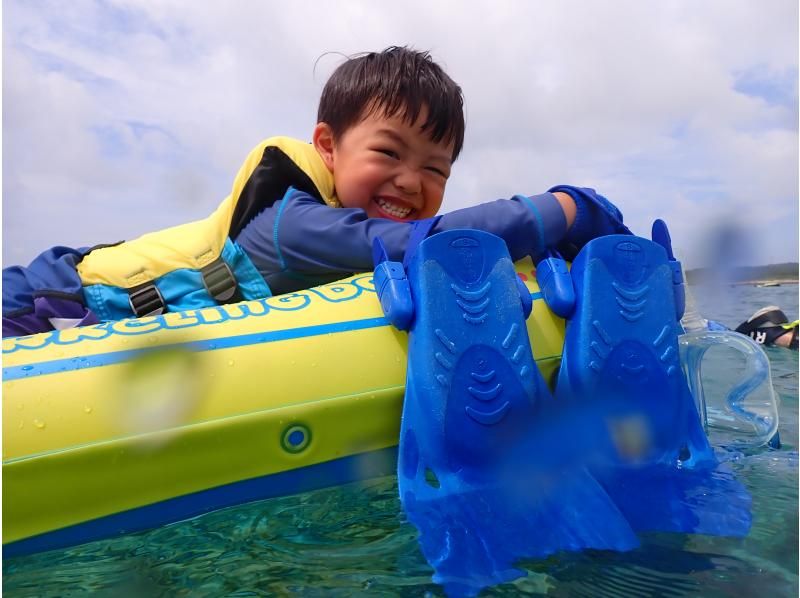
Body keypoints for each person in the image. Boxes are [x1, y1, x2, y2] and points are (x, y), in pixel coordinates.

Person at [2, 46, 629, 338]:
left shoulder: (327, 220)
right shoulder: (292, 226)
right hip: (51, 299)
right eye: (388, 152)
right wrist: (570, 209)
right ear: (327, 146)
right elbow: (436, 243)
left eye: (437, 169)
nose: (411, 182)